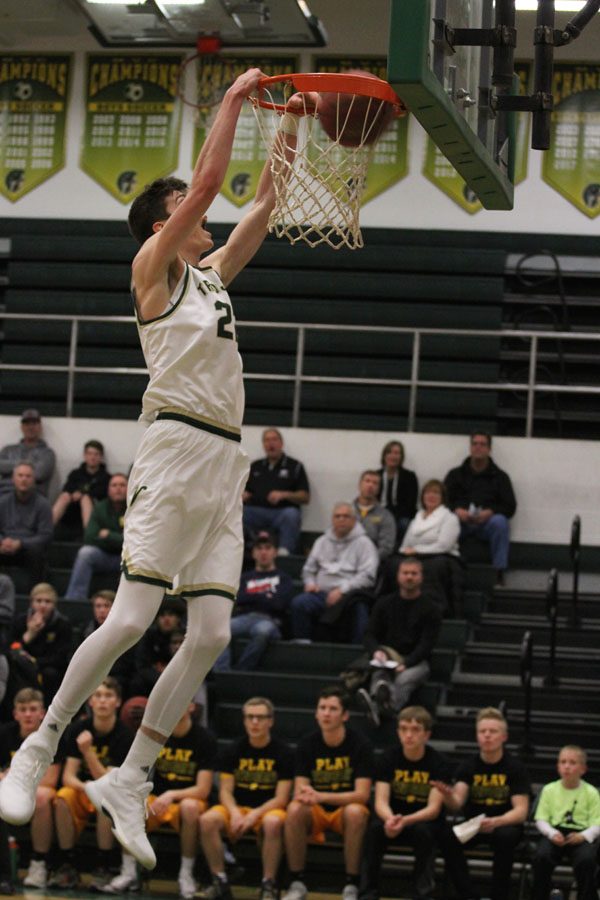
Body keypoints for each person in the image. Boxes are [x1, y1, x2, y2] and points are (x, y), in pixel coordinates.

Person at [0, 67, 301, 874]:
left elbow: (263, 207)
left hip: (224, 462)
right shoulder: (152, 271)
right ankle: (41, 740)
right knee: (132, 620)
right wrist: (237, 99)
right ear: (169, 220)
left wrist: (294, 127)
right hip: (172, 447)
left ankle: (131, 777)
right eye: (188, 210)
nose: (204, 214)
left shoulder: (210, 281)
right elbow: (207, 184)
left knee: (207, 632)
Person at [104, 703, 217, 897]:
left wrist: (172, 795)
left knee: (190, 807)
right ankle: (129, 872)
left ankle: (186, 874)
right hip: (157, 799)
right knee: (130, 803)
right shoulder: (157, 735)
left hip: (187, 799)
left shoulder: (204, 738)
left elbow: (203, 789)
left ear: (191, 707)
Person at [358, 705, 471, 900]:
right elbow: (381, 801)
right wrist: (391, 819)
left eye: (415, 730)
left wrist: (405, 821)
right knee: (374, 831)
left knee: (425, 832)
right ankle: (367, 892)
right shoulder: (387, 758)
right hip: (393, 818)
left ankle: (422, 893)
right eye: (403, 729)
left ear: (427, 735)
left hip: (423, 821)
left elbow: (433, 810)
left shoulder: (439, 763)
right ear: (398, 732)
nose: (408, 735)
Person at [282, 687, 373, 900]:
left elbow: (362, 795)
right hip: (317, 812)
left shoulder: (360, 744)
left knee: (355, 812)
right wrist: (309, 796)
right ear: (316, 713)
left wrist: (322, 796)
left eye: (333, 709)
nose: (326, 713)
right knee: (294, 809)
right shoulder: (307, 744)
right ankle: (297, 882)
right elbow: (300, 790)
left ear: (345, 715)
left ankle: (352, 884)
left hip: (344, 812)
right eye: (322, 708)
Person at [200, 696, 293, 900]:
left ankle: (268, 883)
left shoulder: (284, 753)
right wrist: (234, 813)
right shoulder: (233, 750)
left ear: (271, 721)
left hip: (268, 809)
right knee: (207, 821)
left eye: (260, 718)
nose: (255, 723)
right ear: (244, 720)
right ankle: (220, 880)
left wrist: (254, 815)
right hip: (238, 807)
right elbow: (225, 791)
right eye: (250, 717)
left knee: (273, 822)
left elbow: (282, 798)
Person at [434, 707, 531, 900]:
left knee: (505, 838)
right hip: (475, 825)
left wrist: (496, 821)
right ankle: (469, 895)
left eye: (492, 731)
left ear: (504, 736)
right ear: (477, 736)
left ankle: (499, 895)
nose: (487, 736)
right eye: (482, 732)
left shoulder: (515, 767)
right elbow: (457, 802)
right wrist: (447, 795)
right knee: (447, 837)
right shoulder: (468, 766)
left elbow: (521, 812)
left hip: (505, 824)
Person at [50, 678, 134, 890]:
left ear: (118, 702)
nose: (103, 701)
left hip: (109, 793)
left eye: (108, 696)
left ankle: (104, 866)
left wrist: (88, 752)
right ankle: (67, 865)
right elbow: (68, 776)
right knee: (62, 798)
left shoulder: (125, 736)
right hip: (85, 789)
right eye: (98, 696)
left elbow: (108, 782)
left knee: (106, 799)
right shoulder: (79, 728)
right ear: (90, 701)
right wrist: (88, 788)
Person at [356, 557, 441, 728]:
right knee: (380, 674)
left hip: (416, 661)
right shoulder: (384, 604)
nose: (409, 577)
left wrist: (407, 663)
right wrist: (376, 652)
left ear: (421, 577)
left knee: (404, 679)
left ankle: (382, 707)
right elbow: (369, 634)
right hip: (387, 657)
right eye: (405, 573)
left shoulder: (431, 609)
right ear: (398, 576)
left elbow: (427, 644)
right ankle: (381, 703)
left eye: (413, 573)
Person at [290, 502, 379, 644]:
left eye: (346, 516)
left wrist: (342, 591)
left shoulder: (364, 543)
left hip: (349, 596)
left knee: (360, 610)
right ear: (332, 520)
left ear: (354, 520)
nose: (341, 519)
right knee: (299, 603)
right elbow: (309, 570)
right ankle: (303, 645)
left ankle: (357, 652)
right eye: (337, 516)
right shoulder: (321, 541)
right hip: (321, 594)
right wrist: (310, 583)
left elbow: (368, 576)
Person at [0, 688, 62, 891]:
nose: (28, 714)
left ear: (42, 713)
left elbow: (50, 780)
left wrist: (13, 779)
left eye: (33, 709)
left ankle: (39, 863)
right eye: (23, 709)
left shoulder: (51, 735)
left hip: (39, 791)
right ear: (15, 713)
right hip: (8, 790)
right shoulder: (4, 733)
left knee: (43, 797)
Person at [213, 531, 294, 672]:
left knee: (262, 631)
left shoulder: (284, 578)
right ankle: (222, 672)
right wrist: (266, 596)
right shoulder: (244, 577)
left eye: (268, 548)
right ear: (253, 553)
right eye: (259, 548)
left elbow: (280, 604)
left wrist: (253, 596)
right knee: (220, 629)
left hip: (270, 620)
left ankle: (242, 671)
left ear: (275, 552)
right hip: (244, 618)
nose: (263, 552)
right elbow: (240, 599)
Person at [444, 432, 517, 584]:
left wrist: (491, 512)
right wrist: (456, 510)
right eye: (475, 444)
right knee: (447, 519)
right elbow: (443, 501)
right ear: (470, 448)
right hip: (460, 522)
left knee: (500, 522)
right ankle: (445, 568)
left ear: (489, 449)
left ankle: (499, 571)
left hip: (487, 523)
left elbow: (510, 506)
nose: (478, 447)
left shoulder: (501, 477)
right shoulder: (455, 474)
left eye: (482, 444)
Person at [531, 744, 600, 900]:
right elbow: (540, 819)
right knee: (541, 856)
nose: (567, 766)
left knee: (587, 860)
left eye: (572, 762)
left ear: (583, 769)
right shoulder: (549, 790)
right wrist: (552, 833)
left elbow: (597, 823)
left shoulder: (591, 792)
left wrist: (583, 836)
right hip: (554, 833)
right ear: (558, 766)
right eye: (563, 762)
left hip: (581, 835)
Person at [399, 478, 463, 615]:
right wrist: (405, 552)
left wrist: (416, 551)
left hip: (443, 557)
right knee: (393, 564)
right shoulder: (417, 518)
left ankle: (434, 609)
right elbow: (405, 544)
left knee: (432, 567)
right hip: (416, 557)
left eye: (436, 493)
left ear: (443, 498)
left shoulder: (449, 518)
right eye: (427, 493)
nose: (431, 496)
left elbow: (444, 546)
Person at [243, 428, 310, 555]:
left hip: (282, 513)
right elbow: (245, 491)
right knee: (239, 512)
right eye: (267, 440)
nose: (270, 443)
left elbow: (305, 497)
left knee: (292, 514)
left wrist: (284, 494)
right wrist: (243, 495)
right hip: (257, 511)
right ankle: (245, 551)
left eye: (274, 439)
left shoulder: (295, 466)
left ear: (281, 443)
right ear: (263, 445)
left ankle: (284, 552)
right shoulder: (255, 466)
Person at [64, 473, 128, 600]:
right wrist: (119, 539)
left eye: (122, 485)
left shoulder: (135, 509)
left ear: (129, 488)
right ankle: (74, 599)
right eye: (114, 485)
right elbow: (90, 537)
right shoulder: (100, 507)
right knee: (85, 553)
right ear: (108, 489)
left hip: (126, 559)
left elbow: (134, 542)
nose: (118, 488)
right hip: (104, 556)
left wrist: (108, 535)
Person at [12, 582, 73, 704]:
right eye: (38, 601)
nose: (43, 605)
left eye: (47, 601)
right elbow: (13, 650)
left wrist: (34, 661)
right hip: (24, 666)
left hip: (49, 668)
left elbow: (61, 657)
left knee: (50, 674)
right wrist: (29, 634)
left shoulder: (62, 624)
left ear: (54, 604)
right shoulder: (21, 620)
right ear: (31, 602)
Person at [0, 462, 53, 589]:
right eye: (20, 475)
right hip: (4, 546)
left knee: (37, 553)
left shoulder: (43, 504)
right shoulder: (2, 502)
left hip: (29, 549)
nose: (24, 479)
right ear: (13, 479)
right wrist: (2, 542)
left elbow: (45, 535)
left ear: (33, 480)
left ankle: (34, 596)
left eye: (28, 476)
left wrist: (21, 543)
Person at [129, 597, 186, 697]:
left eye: (171, 615)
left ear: (178, 618)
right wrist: (162, 680)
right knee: (137, 682)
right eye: (162, 615)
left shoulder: (187, 636)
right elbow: (142, 666)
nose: (166, 619)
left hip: (181, 678)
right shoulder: (149, 636)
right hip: (153, 680)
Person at [52, 440, 111, 533]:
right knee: (64, 496)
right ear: (85, 455)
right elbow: (67, 489)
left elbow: (101, 494)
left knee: (85, 499)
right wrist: (73, 494)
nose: (93, 457)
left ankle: (89, 535)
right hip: (72, 509)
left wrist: (83, 494)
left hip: (94, 510)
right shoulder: (75, 474)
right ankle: (46, 530)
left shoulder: (106, 477)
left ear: (101, 457)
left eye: (96, 454)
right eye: (90, 453)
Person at [0, 409, 56, 497]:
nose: (30, 427)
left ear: (40, 427)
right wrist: (28, 464)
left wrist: (12, 467)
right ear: (22, 427)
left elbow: (39, 474)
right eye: (27, 424)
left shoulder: (47, 453)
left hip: (33, 498)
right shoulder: (8, 450)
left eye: (34, 424)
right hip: (4, 493)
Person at [376, 440, 418, 541]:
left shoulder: (410, 476)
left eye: (396, 453)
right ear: (384, 455)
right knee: (369, 522)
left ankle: (400, 553)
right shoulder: (375, 476)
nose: (393, 456)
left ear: (401, 457)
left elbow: (410, 503)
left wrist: (391, 517)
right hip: (379, 514)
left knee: (405, 524)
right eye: (389, 452)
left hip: (401, 515)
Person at [352, 470, 396, 561]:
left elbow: (386, 547)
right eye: (367, 481)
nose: (370, 485)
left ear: (379, 489)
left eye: (375, 483)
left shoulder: (386, 516)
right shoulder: (346, 511)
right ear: (359, 485)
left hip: (370, 562)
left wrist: (367, 559)